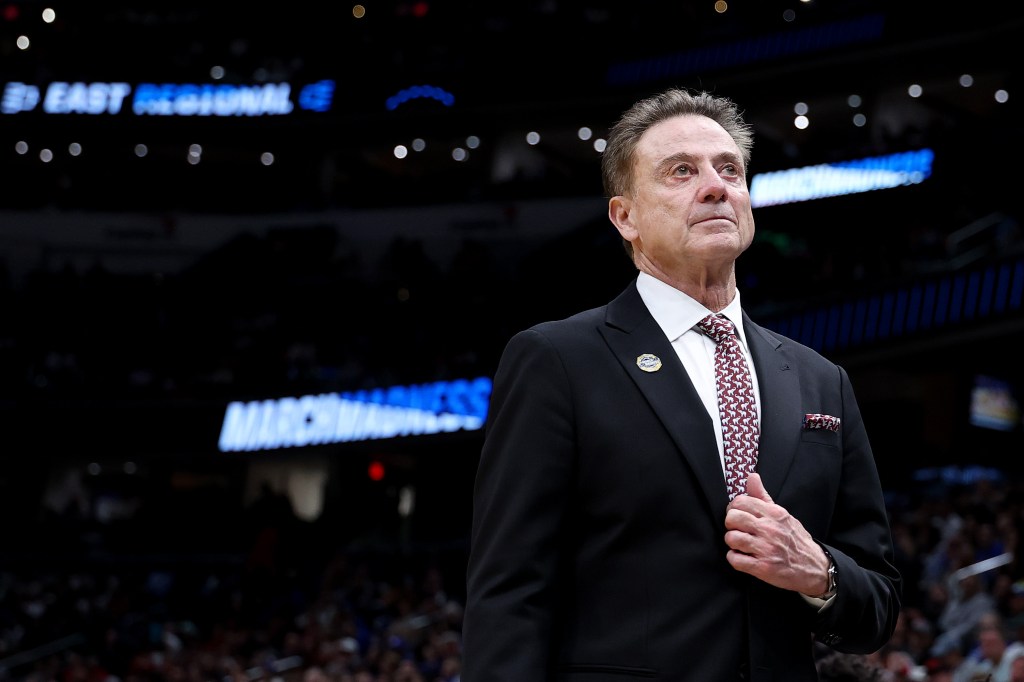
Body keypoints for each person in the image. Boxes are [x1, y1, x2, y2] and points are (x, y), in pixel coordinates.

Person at [462, 87, 902, 681]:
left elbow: (877, 607)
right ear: (626, 217)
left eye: (730, 170)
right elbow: (509, 592)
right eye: (681, 172)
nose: (717, 185)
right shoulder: (556, 360)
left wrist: (819, 571)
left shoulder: (825, 381)